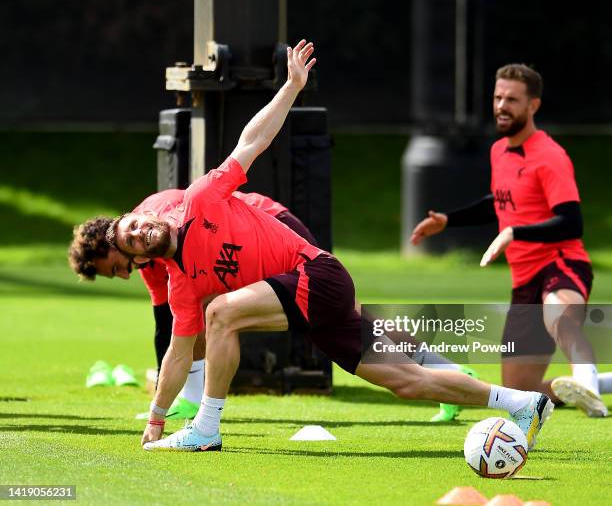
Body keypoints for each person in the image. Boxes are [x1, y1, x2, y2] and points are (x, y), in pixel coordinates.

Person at [107, 41, 553, 452]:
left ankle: (206, 430)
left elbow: (253, 140)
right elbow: (178, 353)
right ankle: (521, 403)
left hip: (317, 275)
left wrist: (291, 86)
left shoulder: (200, 198)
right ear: (142, 258)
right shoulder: (180, 285)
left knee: (220, 313)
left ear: (147, 214)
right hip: (312, 304)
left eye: (136, 224)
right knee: (408, 383)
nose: (140, 232)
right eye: (132, 240)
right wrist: (157, 417)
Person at [411, 64, 610, 417]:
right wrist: (449, 221)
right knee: (520, 390)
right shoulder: (499, 151)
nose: (502, 106)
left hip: (560, 262)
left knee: (559, 317)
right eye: (498, 98)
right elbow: (500, 202)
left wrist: (515, 232)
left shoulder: (550, 156)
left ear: (533, 106)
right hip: (524, 279)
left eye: (512, 100)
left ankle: (589, 385)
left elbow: (571, 222)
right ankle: (599, 384)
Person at [69, 188, 318, 419]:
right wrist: (162, 398)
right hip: (248, 258)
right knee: (198, 313)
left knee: (326, 308)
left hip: (272, 225)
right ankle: (196, 407)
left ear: (111, 243)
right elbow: (165, 323)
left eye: (115, 268)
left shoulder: (154, 221)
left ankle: (203, 415)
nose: (124, 276)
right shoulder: (148, 262)